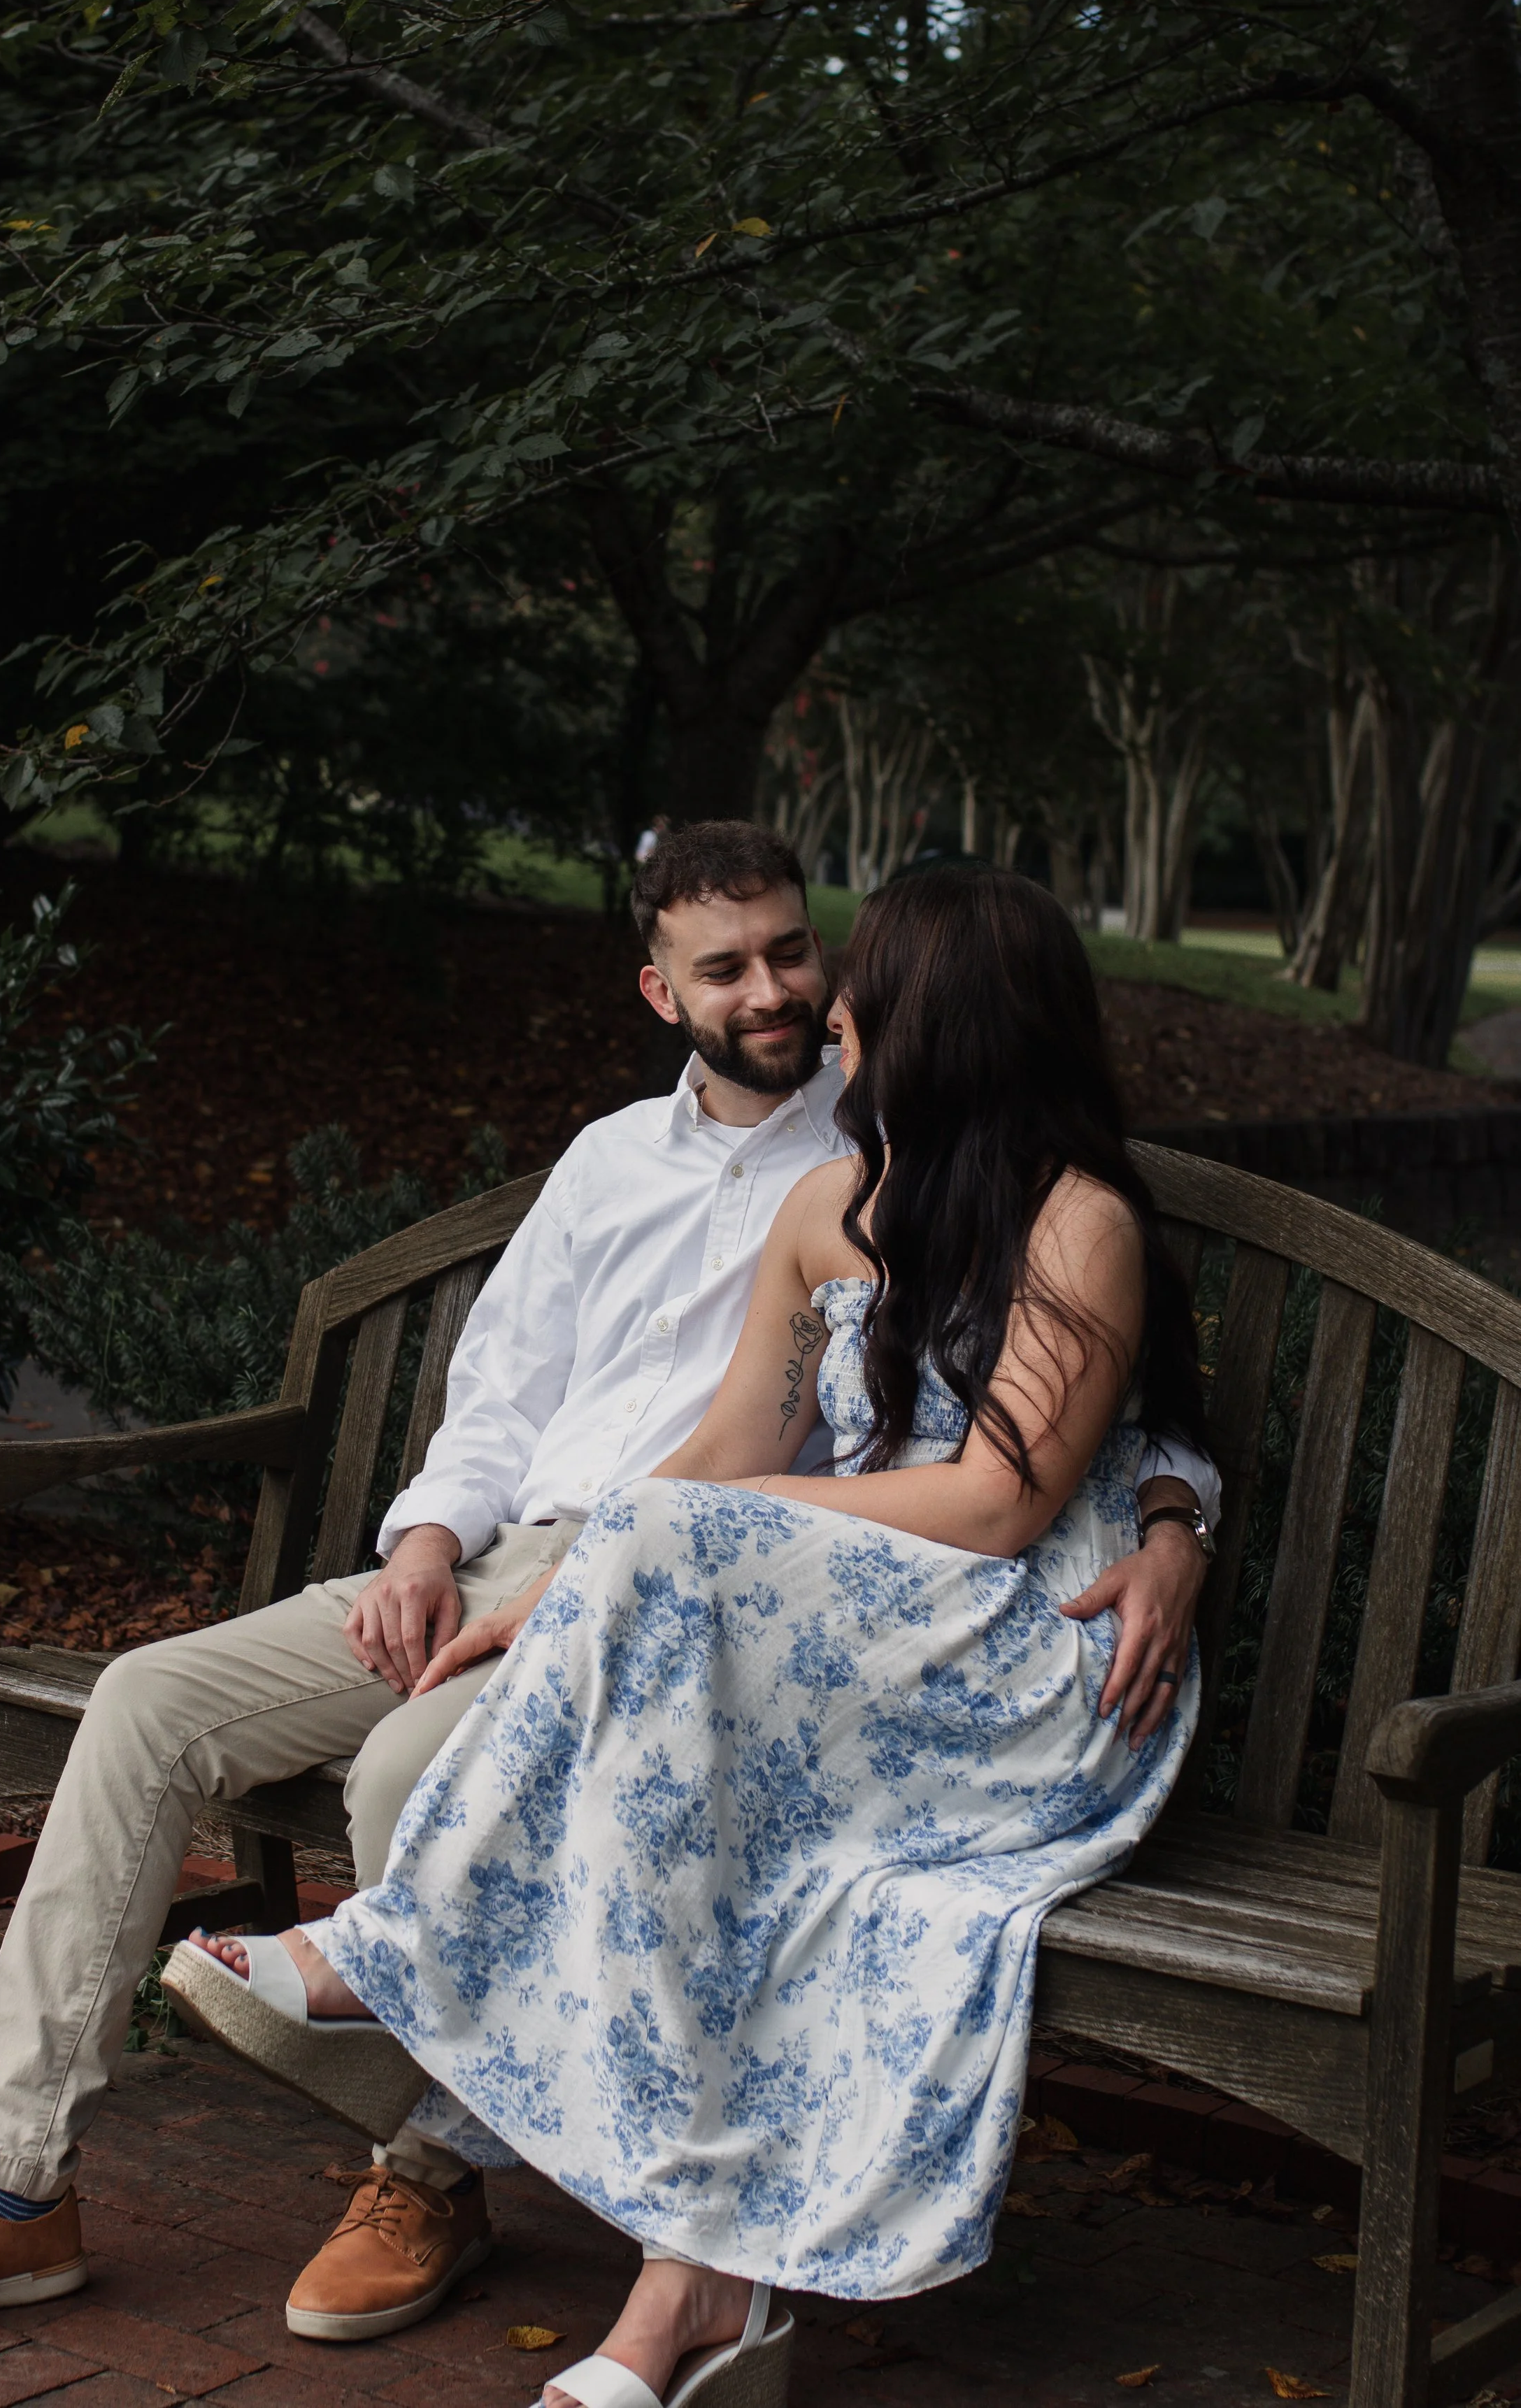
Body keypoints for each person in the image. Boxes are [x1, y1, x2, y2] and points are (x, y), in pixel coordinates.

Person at [0, 825, 1215, 2357]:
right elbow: (536, 1396)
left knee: (418, 1759)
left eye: (808, 958)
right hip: (566, 1553)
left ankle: (426, 2163)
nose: (799, 995)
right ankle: (3, 2194)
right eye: (732, 967)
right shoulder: (647, 1167)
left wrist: (1175, 1515)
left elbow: (1062, 1435)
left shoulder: (950, 1172)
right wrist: (428, 1546)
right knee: (144, 1699)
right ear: (658, 990)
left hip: (765, 1589)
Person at [210, 861, 1215, 2408]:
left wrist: (695, 1538)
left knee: (730, 1763)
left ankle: (413, 1944)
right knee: (736, 1829)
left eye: (863, 984)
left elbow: (1009, 1505)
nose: (836, 1010)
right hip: (866, 1634)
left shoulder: (1075, 1221)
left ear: (941, 1019)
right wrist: (576, 1580)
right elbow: (735, 1442)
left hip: (1022, 1659)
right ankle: (687, 2311)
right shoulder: (833, 1201)